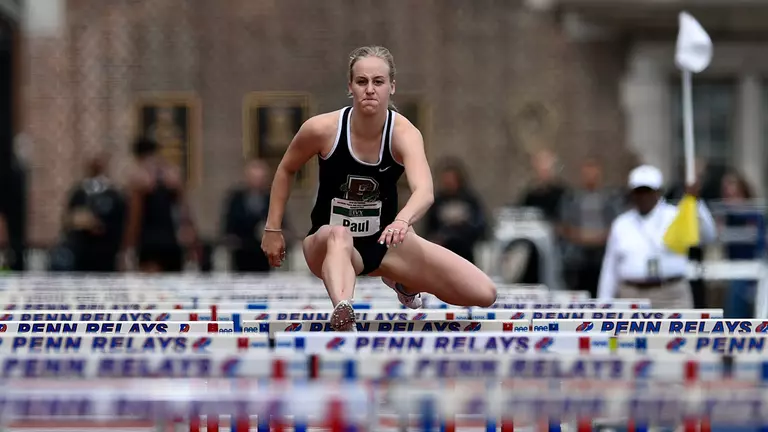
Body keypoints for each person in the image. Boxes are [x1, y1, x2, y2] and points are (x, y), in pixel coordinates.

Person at [261, 46, 496, 331]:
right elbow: (286, 169)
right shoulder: (322, 129)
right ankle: (343, 309)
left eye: (378, 82)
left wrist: (402, 221)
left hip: (386, 241)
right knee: (339, 234)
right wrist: (272, 229)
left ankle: (403, 281)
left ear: (391, 87)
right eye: (362, 82)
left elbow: (424, 190)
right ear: (350, 87)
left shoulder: (404, 133)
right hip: (326, 245)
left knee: (483, 293)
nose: (369, 90)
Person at [597, 165, 717, 308]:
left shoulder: (676, 215)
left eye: (647, 191)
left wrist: (695, 202)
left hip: (671, 294)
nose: (643, 196)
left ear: (658, 192)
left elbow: (708, 236)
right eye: (638, 191)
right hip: (631, 294)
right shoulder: (621, 224)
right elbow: (610, 267)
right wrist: (603, 302)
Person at [122, 137, 197, 273]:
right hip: (171, 239)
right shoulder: (172, 173)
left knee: (150, 289)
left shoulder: (139, 177)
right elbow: (184, 209)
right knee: (173, 288)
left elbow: (135, 216)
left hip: (149, 240)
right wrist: (191, 239)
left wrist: (128, 245)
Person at [558, 157, 622, 297]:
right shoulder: (572, 198)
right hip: (578, 257)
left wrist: (598, 237)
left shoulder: (610, 198)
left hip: (602, 254)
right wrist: (582, 237)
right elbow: (564, 226)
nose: (590, 177)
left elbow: (618, 225)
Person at [57, 154, 126, 272]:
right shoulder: (79, 193)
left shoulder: (113, 195)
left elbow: (120, 223)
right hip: (81, 253)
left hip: (106, 255)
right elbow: (67, 219)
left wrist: (98, 226)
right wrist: (77, 221)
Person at [424, 159, 487, 264]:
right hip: (443, 251)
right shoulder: (437, 202)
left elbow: (480, 225)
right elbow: (430, 227)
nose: (449, 183)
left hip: (466, 250)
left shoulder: (469, 200)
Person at [719, 170, 763, 318]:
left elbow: (756, 237)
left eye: (733, 194)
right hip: (734, 269)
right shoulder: (726, 214)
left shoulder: (753, 213)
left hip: (754, 268)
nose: (729, 199)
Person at [222, 158, 278, 273]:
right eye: (254, 178)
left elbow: (282, 223)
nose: (257, 181)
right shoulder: (236, 199)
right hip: (241, 253)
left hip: (264, 255)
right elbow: (228, 225)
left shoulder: (271, 199)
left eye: (260, 178)